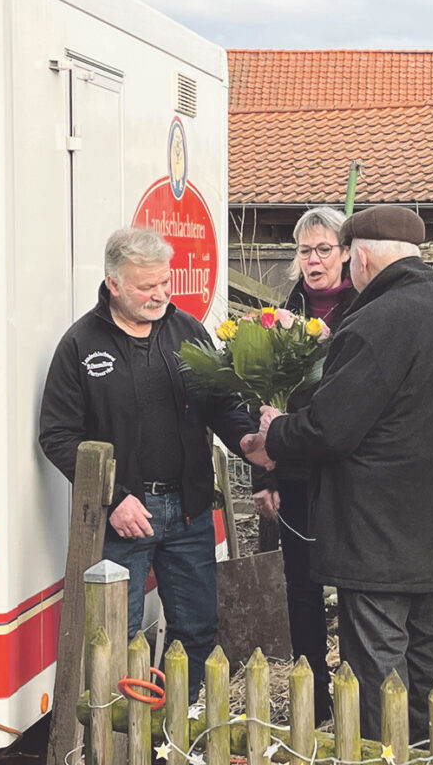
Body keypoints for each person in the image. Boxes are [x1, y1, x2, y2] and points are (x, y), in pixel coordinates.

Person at [243, 206, 433, 740]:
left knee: (377, 680)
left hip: (377, 538)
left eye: (344, 254)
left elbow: (332, 429)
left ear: (363, 255)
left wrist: (276, 432)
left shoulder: (373, 324)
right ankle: (429, 752)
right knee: (428, 673)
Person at [39, 227, 256, 702]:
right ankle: (124, 740)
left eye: (164, 283)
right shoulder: (80, 345)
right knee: (121, 635)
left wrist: (250, 441)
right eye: (145, 287)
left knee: (197, 629)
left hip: (190, 510)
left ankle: (180, 736)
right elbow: (56, 435)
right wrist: (112, 500)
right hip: (124, 518)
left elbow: (220, 403)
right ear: (114, 284)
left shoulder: (187, 331)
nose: (159, 295)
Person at [250, 206, 355, 721]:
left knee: (356, 583)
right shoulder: (281, 316)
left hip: (349, 476)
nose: (313, 260)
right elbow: (263, 399)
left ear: (345, 253)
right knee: (302, 584)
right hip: (292, 473)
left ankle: (361, 694)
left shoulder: (361, 310)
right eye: (304, 251)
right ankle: (313, 696)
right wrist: (265, 475)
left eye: (323, 250)